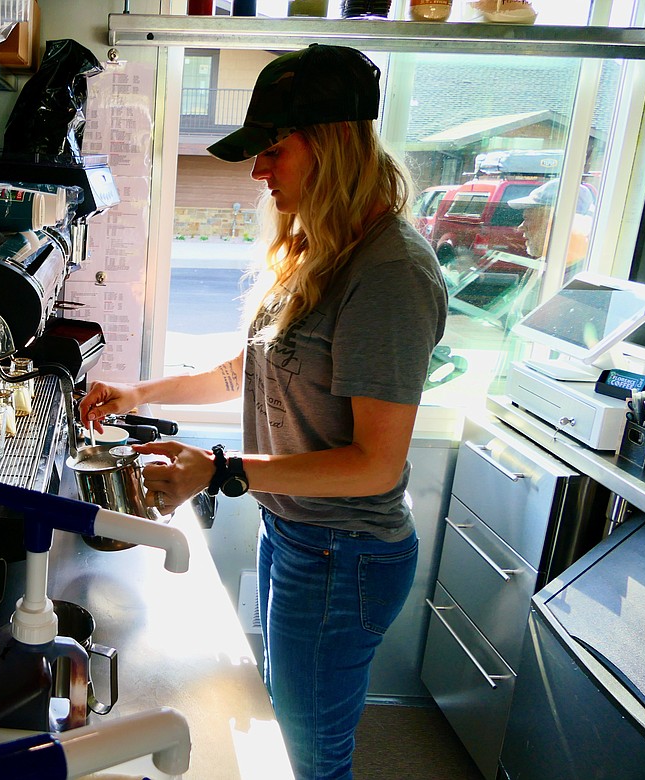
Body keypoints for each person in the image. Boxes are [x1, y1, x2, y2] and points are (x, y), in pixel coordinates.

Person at [79, 44, 447, 780]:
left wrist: (218, 470)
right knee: (288, 727)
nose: (256, 172)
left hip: (346, 555)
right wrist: (141, 393)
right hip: (300, 537)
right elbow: (244, 374)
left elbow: (375, 464)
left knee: (310, 761)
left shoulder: (390, 275)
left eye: (273, 151)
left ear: (335, 145)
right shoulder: (319, 248)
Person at [508, 176, 595, 277]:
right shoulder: (542, 266)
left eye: (528, 219)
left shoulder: (581, 279)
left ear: (555, 224)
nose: (520, 227)